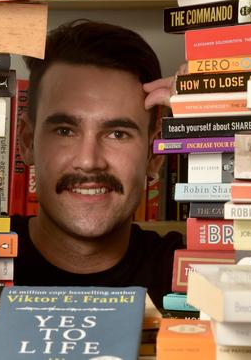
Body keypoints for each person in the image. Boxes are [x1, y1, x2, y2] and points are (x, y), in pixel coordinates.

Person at [12, 19, 185, 306]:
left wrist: (237, 102)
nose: (89, 161)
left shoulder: (193, 271)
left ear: (155, 155)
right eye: (65, 131)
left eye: (118, 134)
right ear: (27, 142)